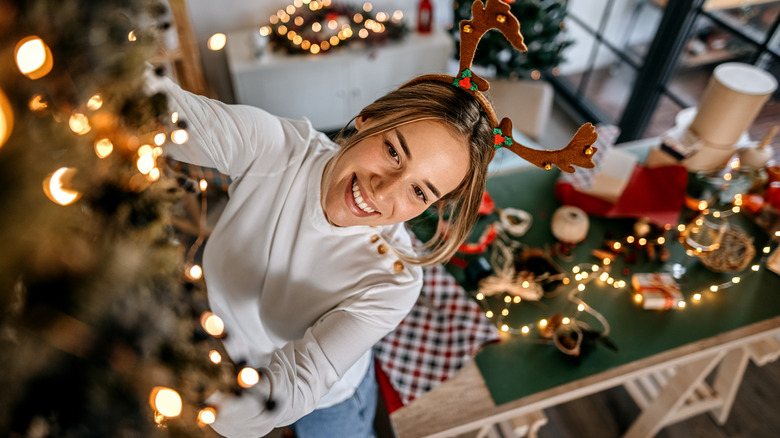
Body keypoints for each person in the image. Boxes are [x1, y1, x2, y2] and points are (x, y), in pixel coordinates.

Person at [147, 69, 495, 437]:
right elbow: (162, 109)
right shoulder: (278, 149)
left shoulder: (394, 281)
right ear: (368, 118)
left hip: (332, 404)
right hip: (211, 344)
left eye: (419, 192)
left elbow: (302, 382)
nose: (383, 191)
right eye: (393, 151)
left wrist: (198, 401)